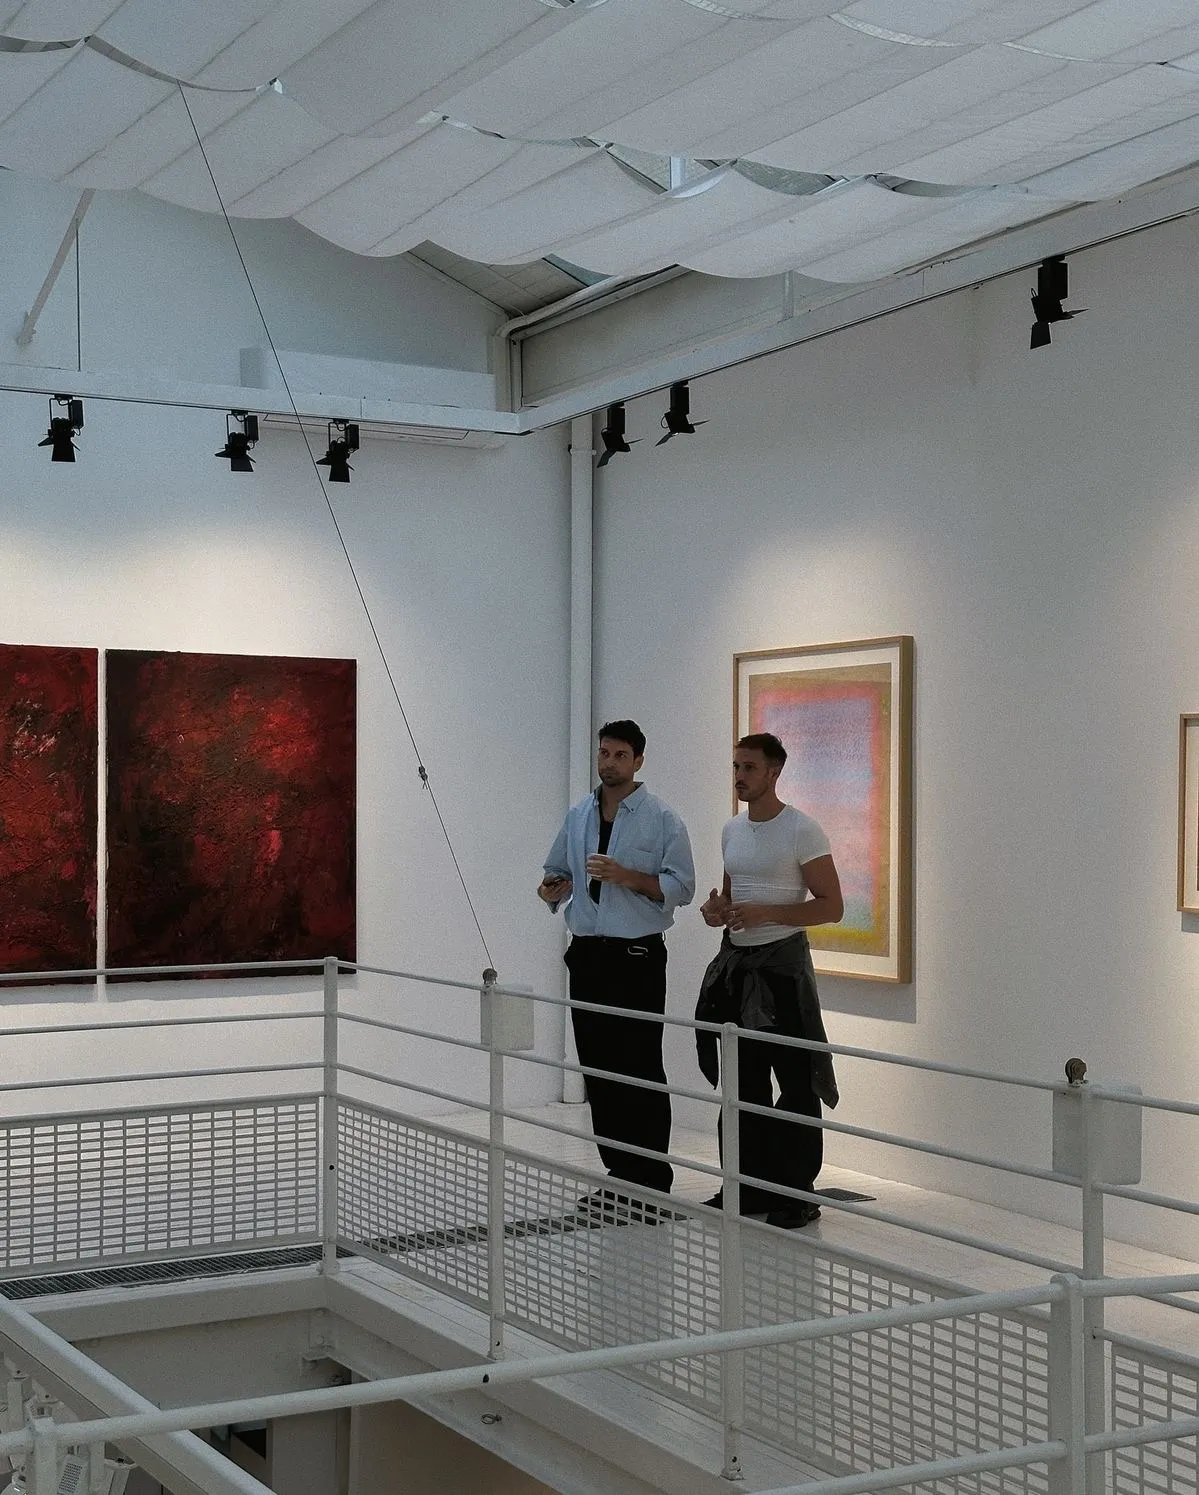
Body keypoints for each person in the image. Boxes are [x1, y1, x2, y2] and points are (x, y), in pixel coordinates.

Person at [539, 720, 695, 1214]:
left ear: (638, 760)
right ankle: (620, 1178)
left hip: (636, 958)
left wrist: (627, 876)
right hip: (588, 954)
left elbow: (683, 887)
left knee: (639, 1066)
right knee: (598, 1068)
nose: (609, 763)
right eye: (604, 753)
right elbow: (556, 869)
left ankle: (651, 1183)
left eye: (620, 755)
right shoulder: (579, 813)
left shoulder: (662, 819)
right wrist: (552, 887)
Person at [696, 732, 842, 1229]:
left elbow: (832, 906)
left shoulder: (802, 830)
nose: (740, 776)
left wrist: (768, 913)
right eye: (736, 766)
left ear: (774, 772)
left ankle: (798, 1193)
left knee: (796, 1082)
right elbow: (732, 897)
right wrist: (718, 911)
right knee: (743, 1082)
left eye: (750, 768)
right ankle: (744, 1186)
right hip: (738, 966)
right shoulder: (731, 830)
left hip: (783, 969)